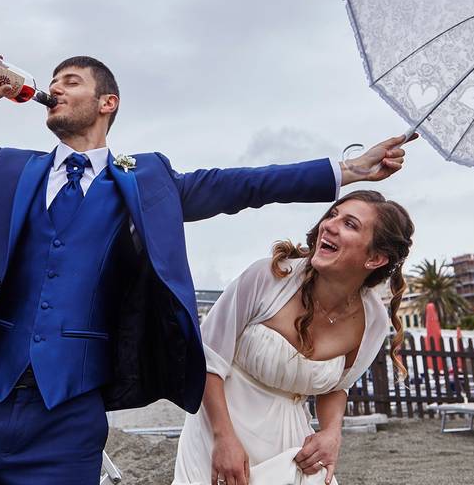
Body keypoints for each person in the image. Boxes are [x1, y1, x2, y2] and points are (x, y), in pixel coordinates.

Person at [0, 56, 410, 484]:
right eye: (51, 82)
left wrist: (345, 171)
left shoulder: (149, 181)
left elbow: (243, 186)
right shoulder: (6, 168)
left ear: (106, 103)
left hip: (70, 414)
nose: (54, 89)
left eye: (70, 81)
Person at [172, 190, 413, 485]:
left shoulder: (372, 321)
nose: (330, 225)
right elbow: (207, 359)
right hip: (219, 425)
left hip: (291, 443)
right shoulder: (269, 277)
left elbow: (338, 387)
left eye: (350, 224)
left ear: (375, 258)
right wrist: (224, 439)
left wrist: (331, 434)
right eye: (333, 215)